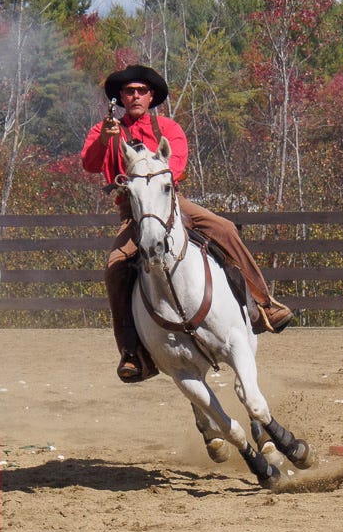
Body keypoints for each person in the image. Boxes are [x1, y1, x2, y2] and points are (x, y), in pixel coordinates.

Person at [81, 64, 293, 382]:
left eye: (141, 91)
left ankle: (264, 303)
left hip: (171, 203)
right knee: (115, 266)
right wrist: (104, 142)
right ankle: (131, 352)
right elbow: (89, 163)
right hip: (132, 211)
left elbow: (176, 165)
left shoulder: (168, 127)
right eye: (129, 91)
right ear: (121, 98)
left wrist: (156, 186)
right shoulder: (105, 130)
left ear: (151, 96)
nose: (135, 95)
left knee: (224, 229)